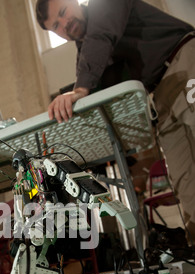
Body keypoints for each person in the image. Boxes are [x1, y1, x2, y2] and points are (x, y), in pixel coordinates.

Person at [35, 0, 195, 243]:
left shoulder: (103, 6)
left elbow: (99, 41)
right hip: (160, 95)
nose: (65, 24)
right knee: (185, 178)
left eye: (64, 12)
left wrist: (78, 90)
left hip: (184, 60)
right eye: (56, 25)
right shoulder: (85, 49)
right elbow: (99, 92)